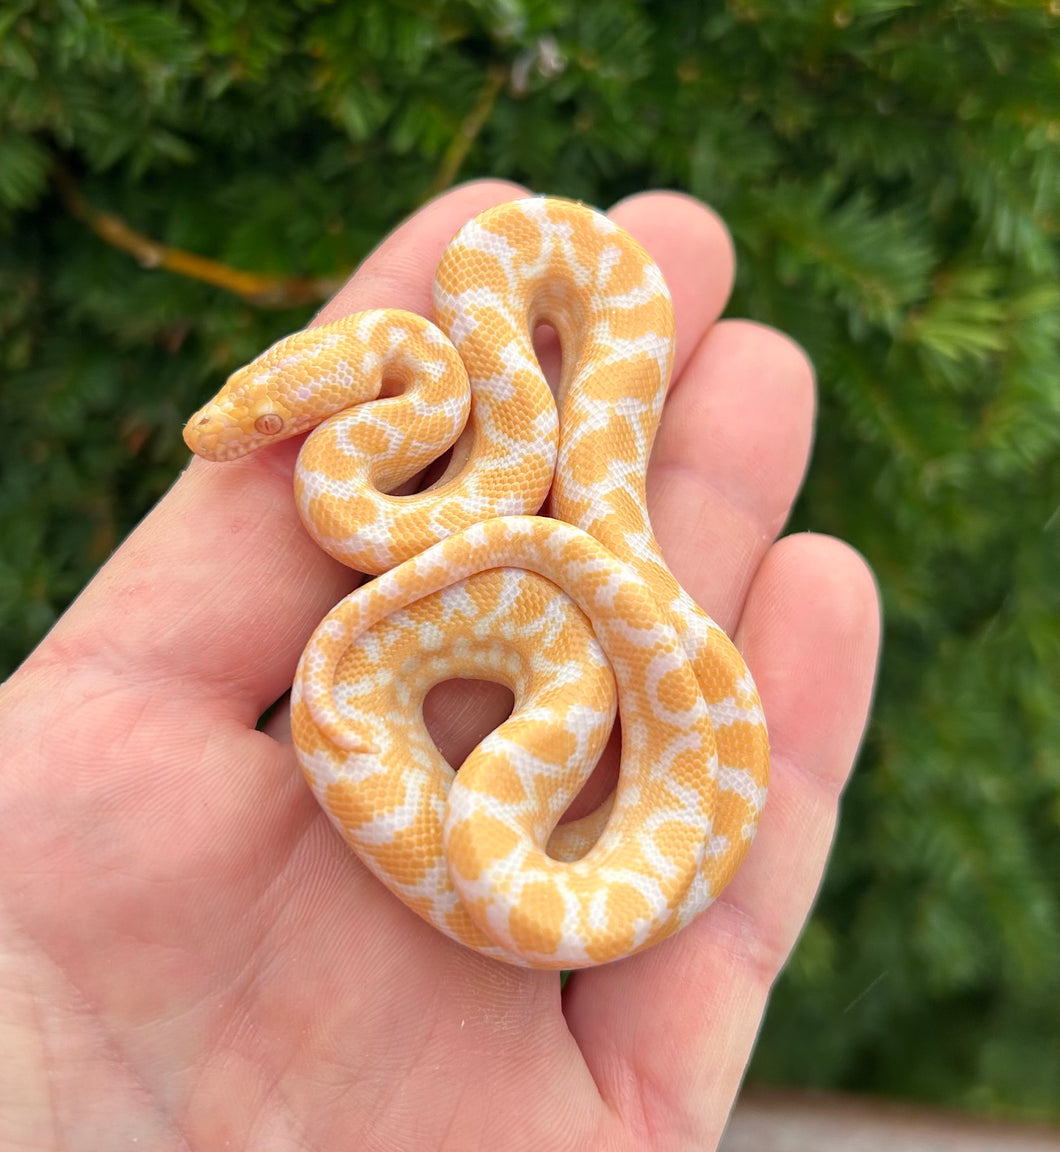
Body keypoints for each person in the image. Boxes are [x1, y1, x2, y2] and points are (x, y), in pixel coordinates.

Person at [0, 181, 880, 1150]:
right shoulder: (421, 415)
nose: (236, 430)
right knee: (579, 698)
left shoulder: (487, 346)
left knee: (572, 703)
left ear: (356, 380)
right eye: (257, 412)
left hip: (524, 685)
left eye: (263, 417)